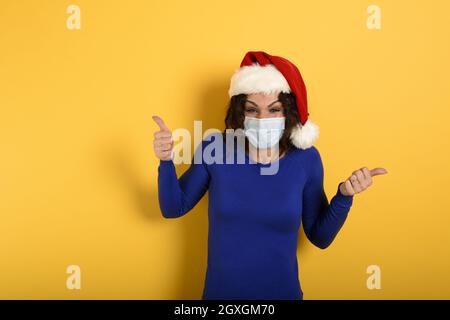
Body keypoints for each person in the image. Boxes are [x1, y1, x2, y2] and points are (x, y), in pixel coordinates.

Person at [153, 51, 388, 300]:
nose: (262, 119)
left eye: (274, 110)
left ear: (288, 114)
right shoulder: (215, 148)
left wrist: (344, 196)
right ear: (239, 112)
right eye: (252, 110)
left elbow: (320, 237)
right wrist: (166, 160)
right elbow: (173, 207)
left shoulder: (306, 159)